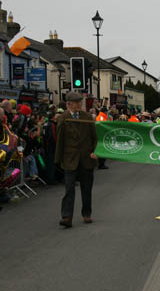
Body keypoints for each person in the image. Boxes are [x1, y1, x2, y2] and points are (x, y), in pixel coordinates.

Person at [55, 92, 98, 228]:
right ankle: (67, 217)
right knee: (69, 190)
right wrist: (58, 160)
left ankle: (86, 213)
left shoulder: (87, 117)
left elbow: (95, 138)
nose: (80, 104)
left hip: (86, 158)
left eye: (81, 102)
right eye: (77, 103)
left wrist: (96, 152)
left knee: (86, 189)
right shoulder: (63, 118)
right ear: (69, 104)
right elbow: (60, 141)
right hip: (70, 159)